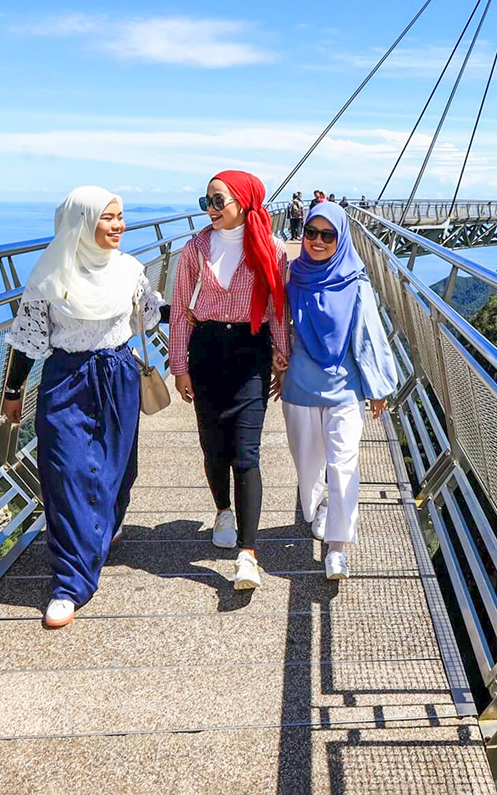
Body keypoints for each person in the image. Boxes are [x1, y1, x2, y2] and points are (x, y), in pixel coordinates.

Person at [2, 186, 162, 628]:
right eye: (107, 217)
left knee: (116, 471)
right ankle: (69, 583)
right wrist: (13, 392)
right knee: (66, 473)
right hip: (65, 380)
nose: (118, 226)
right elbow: (26, 341)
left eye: (120, 216)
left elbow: (150, 316)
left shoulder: (131, 270)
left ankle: (98, 537)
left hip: (118, 376)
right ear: (80, 223)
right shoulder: (49, 276)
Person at [170, 171, 289, 590]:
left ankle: (248, 553)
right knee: (213, 444)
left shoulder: (271, 249)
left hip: (249, 349)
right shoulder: (195, 248)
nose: (211, 210)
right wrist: (179, 365)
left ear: (245, 202)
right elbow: (181, 305)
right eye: (207, 202)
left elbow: (277, 306)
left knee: (247, 452)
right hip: (206, 349)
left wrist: (281, 355)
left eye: (219, 201)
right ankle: (223, 509)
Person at [278, 201, 400, 580]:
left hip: (345, 389)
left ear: (341, 237)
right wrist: (275, 354)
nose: (317, 241)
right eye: (311, 233)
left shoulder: (355, 281)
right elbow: (277, 321)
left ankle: (338, 548)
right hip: (299, 385)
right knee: (308, 464)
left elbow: (367, 337)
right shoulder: (293, 275)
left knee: (344, 466)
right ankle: (318, 509)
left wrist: (376, 386)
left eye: (327, 235)